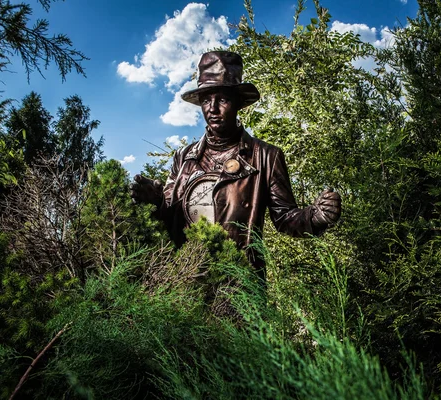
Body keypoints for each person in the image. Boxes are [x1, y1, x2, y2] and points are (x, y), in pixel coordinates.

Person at [130, 51, 341, 279]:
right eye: (206, 100)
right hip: (187, 279)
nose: (212, 108)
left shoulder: (265, 157)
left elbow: (285, 218)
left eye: (222, 99)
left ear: (238, 103)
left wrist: (315, 216)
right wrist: (155, 201)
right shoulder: (183, 157)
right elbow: (170, 216)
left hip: (240, 283)